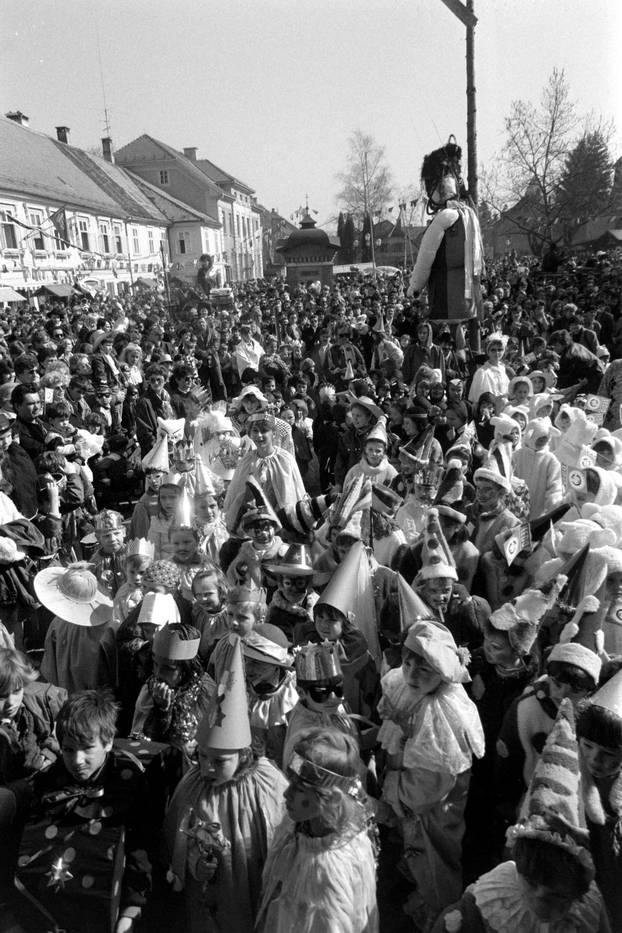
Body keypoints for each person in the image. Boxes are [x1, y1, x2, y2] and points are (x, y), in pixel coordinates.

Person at [432, 700, 604, 933]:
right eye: (530, 881)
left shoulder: (590, 913)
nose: (540, 896)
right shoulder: (490, 902)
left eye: (558, 893)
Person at [164, 636, 288, 933]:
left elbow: (279, 837)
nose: (206, 767)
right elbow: (177, 839)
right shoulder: (193, 786)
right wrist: (194, 861)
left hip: (252, 882)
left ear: (244, 754)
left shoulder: (267, 784)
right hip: (213, 894)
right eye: (202, 756)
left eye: (219, 762)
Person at [15, 690, 152, 933]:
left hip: (109, 908)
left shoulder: (128, 782)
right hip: (50, 910)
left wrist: (131, 910)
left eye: (87, 748)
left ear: (108, 742)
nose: (78, 760)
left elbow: (140, 848)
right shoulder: (46, 783)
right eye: (68, 750)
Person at [378, 618, 484, 927]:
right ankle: (414, 877)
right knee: (412, 845)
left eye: (424, 669)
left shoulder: (445, 711)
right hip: (407, 788)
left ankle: (440, 910)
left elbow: (437, 776)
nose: (411, 674)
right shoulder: (405, 684)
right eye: (408, 664)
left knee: (433, 855)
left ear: (442, 673)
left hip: (430, 802)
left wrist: (397, 792)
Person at [256, 728, 378, 933]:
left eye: (300, 790)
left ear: (330, 799)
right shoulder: (298, 826)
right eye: (290, 783)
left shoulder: (329, 870)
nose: (286, 793)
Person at [37, 563, 117, 694]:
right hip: (94, 695)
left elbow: (49, 666)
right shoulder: (108, 629)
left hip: (73, 692)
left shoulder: (56, 623)